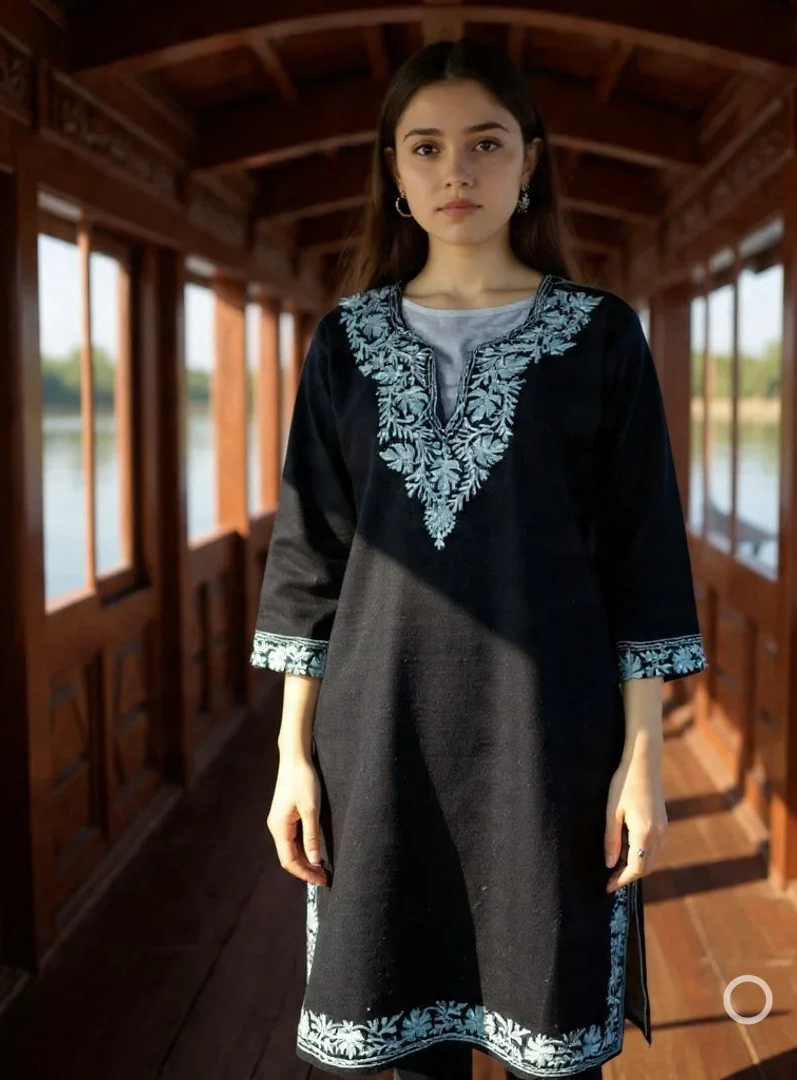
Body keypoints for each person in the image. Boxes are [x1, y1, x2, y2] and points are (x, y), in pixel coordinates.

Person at [251, 37, 707, 1080]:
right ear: (395, 171)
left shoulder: (601, 337)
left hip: (550, 743)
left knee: (553, 1044)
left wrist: (645, 761)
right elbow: (307, 567)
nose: (457, 170)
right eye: (426, 147)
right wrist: (291, 755)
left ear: (530, 161)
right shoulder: (343, 343)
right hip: (377, 740)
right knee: (401, 1037)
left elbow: (644, 561)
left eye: (485, 143)